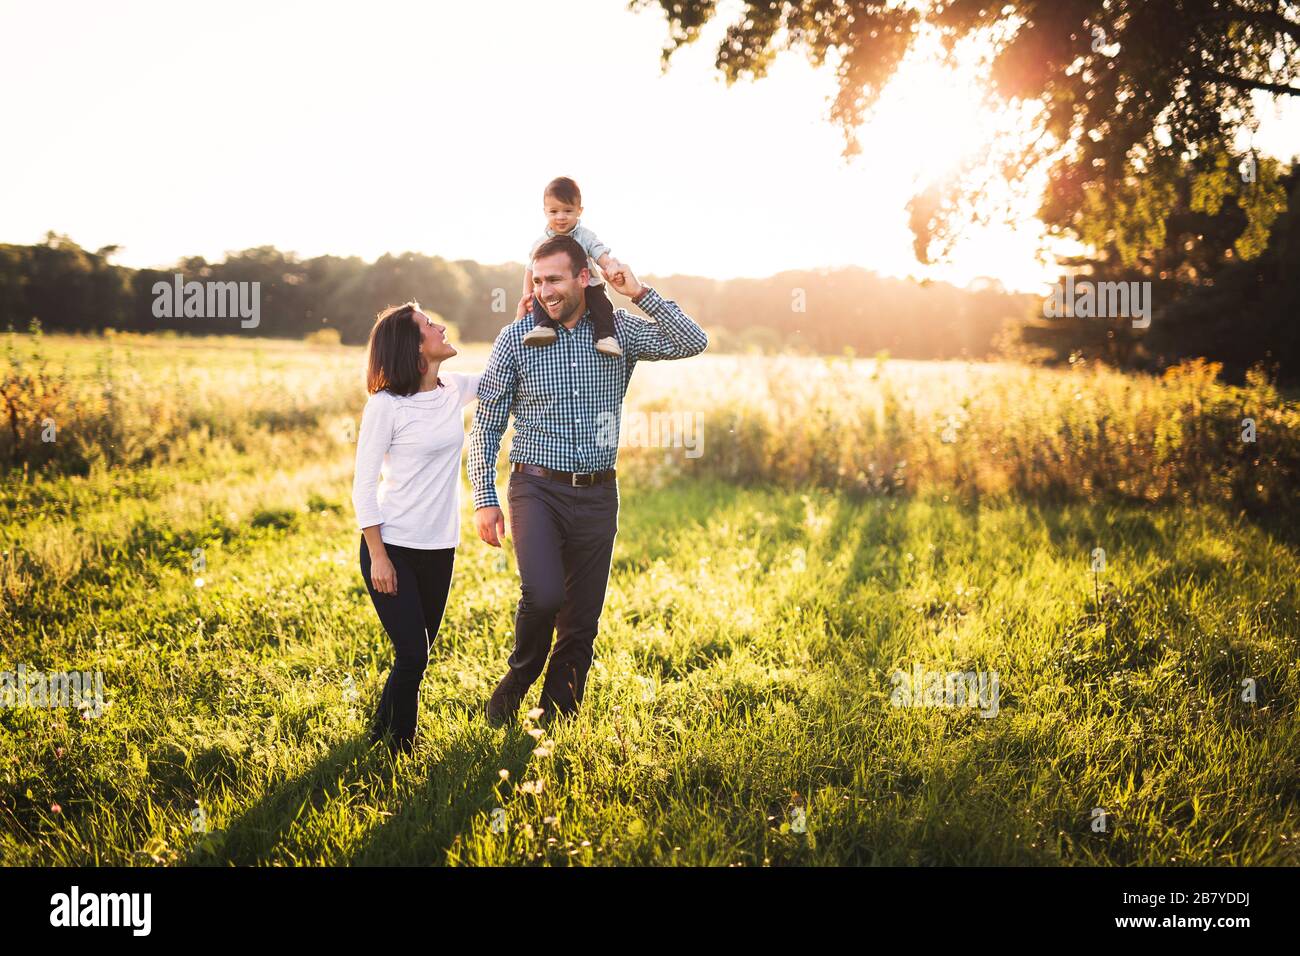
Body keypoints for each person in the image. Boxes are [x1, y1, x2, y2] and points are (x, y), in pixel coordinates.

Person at [469, 234, 708, 726]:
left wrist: (638, 291)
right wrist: (484, 497)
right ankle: (518, 678)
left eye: (554, 279)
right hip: (536, 487)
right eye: (537, 281)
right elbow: (488, 423)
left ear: (584, 277)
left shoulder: (617, 331)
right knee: (545, 595)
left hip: (599, 493)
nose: (544, 291)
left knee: (581, 620)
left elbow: (692, 341)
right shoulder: (516, 339)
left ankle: (556, 721)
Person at [351, 301, 481, 754]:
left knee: (416, 656)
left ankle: (379, 734)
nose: (441, 326)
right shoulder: (385, 406)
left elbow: (508, 375)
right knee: (412, 654)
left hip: (440, 547)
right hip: (393, 547)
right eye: (429, 325)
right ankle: (398, 750)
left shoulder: (453, 389)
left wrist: (529, 312)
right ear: (414, 346)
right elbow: (363, 489)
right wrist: (380, 557)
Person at [516, 176, 624, 357]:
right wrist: (528, 293)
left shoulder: (585, 236)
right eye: (554, 211)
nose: (560, 217)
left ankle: (605, 336)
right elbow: (530, 270)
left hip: (589, 284)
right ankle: (543, 326)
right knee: (541, 296)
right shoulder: (540, 243)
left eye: (567, 210)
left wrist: (611, 267)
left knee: (603, 304)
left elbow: (599, 253)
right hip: (551, 289)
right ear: (545, 212)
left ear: (579, 210)